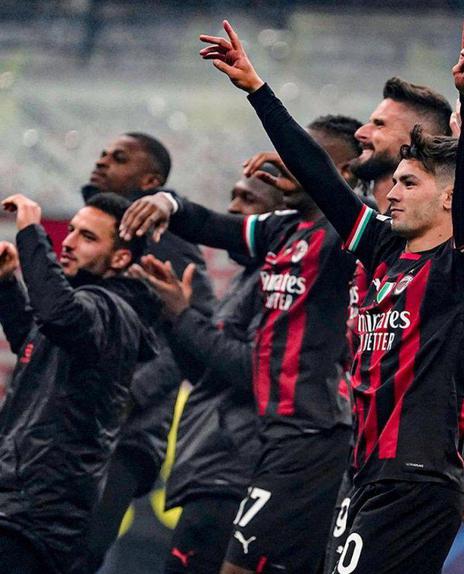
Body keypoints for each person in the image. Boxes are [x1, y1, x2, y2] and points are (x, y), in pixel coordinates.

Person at [189, 17, 464, 573]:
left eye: (410, 184)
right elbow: (320, 175)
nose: (393, 194)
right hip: (366, 471)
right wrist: (256, 89)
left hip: (413, 480)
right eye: (395, 181)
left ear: (450, 198)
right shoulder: (383, 248)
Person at [120, 115, 364, 573]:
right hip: (266, 439)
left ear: (343, 173)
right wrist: (168, 202)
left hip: (304, 437)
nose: (288, 166)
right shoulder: (280, 234)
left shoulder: (346, 238)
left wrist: (184, 316)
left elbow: (247, 367)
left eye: (304, 158)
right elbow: (207, 223)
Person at [0, 192, 159, 574]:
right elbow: (36, 347)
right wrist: (6, 285)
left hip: (34, 513)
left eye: (87, 237)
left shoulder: (109, 308)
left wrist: (31, 232)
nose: (68, 242)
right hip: (27, 508)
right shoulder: (93, 311)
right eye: (70, 231)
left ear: (120, 259)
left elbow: (59, 317)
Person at [79, 133, 216, 571]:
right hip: (71, 424)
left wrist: (127, 393)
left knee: (82, 552)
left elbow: (193, 329)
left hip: (125, 435)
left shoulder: (167, 240)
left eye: (119, 158)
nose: (102, 162)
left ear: (150, 182)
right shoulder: (91, 236)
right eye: (103, 154)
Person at [158, 168, 284, 574]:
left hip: (237, 473)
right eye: (233, 196)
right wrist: (175, 318)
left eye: (248, 199)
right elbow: (208, 375)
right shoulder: (250, 276)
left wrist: (184, 318)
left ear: (280, 216)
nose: (232, 208)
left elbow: (253, 371)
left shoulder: (281, 282)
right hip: (215, 469)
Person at [350, 76, 453, 213]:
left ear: (419, 137)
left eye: (379, 124)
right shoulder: (354, 217)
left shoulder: (452, 223)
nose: (359, 133)